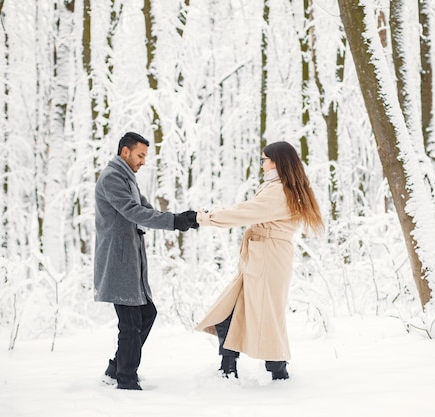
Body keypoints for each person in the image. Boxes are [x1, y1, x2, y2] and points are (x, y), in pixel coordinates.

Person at [194, 141, 324, 380]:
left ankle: (275, 369)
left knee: (265, 314)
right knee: (237, 307)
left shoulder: (278, 191)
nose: (262, 163)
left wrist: (207, 217)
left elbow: (245, 211)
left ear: (276, 161)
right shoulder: (280, 186)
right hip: (265, 254)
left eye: (264, 159)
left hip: (267, 256)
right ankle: (230, 365)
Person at [94, 131, 198, 390]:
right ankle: (126, 382)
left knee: (146, 314)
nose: (143, 161)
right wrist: (173, 221)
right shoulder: (112, 178)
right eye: (140, 155)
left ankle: (115, 369)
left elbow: (145, 209)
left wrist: (181, 219)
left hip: (130, 263)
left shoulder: (127, 178)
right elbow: (133, 212)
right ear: (125, 152)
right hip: (117, 263)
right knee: (130, 325)